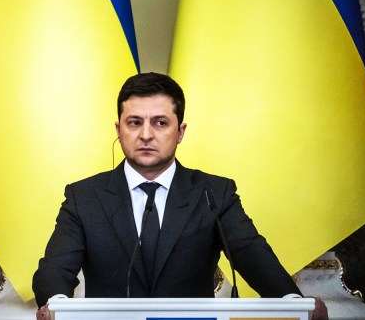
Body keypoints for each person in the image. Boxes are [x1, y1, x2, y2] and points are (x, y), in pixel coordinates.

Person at [32, 72, 328, 320]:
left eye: (160, 123)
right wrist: (55, 304)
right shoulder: (84, 197)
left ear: (180, 131)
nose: (146, 134)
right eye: (134, 122)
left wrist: (294, 303)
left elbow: (252, 255)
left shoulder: (214, 193)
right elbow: (54, 269)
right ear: (119, 129)